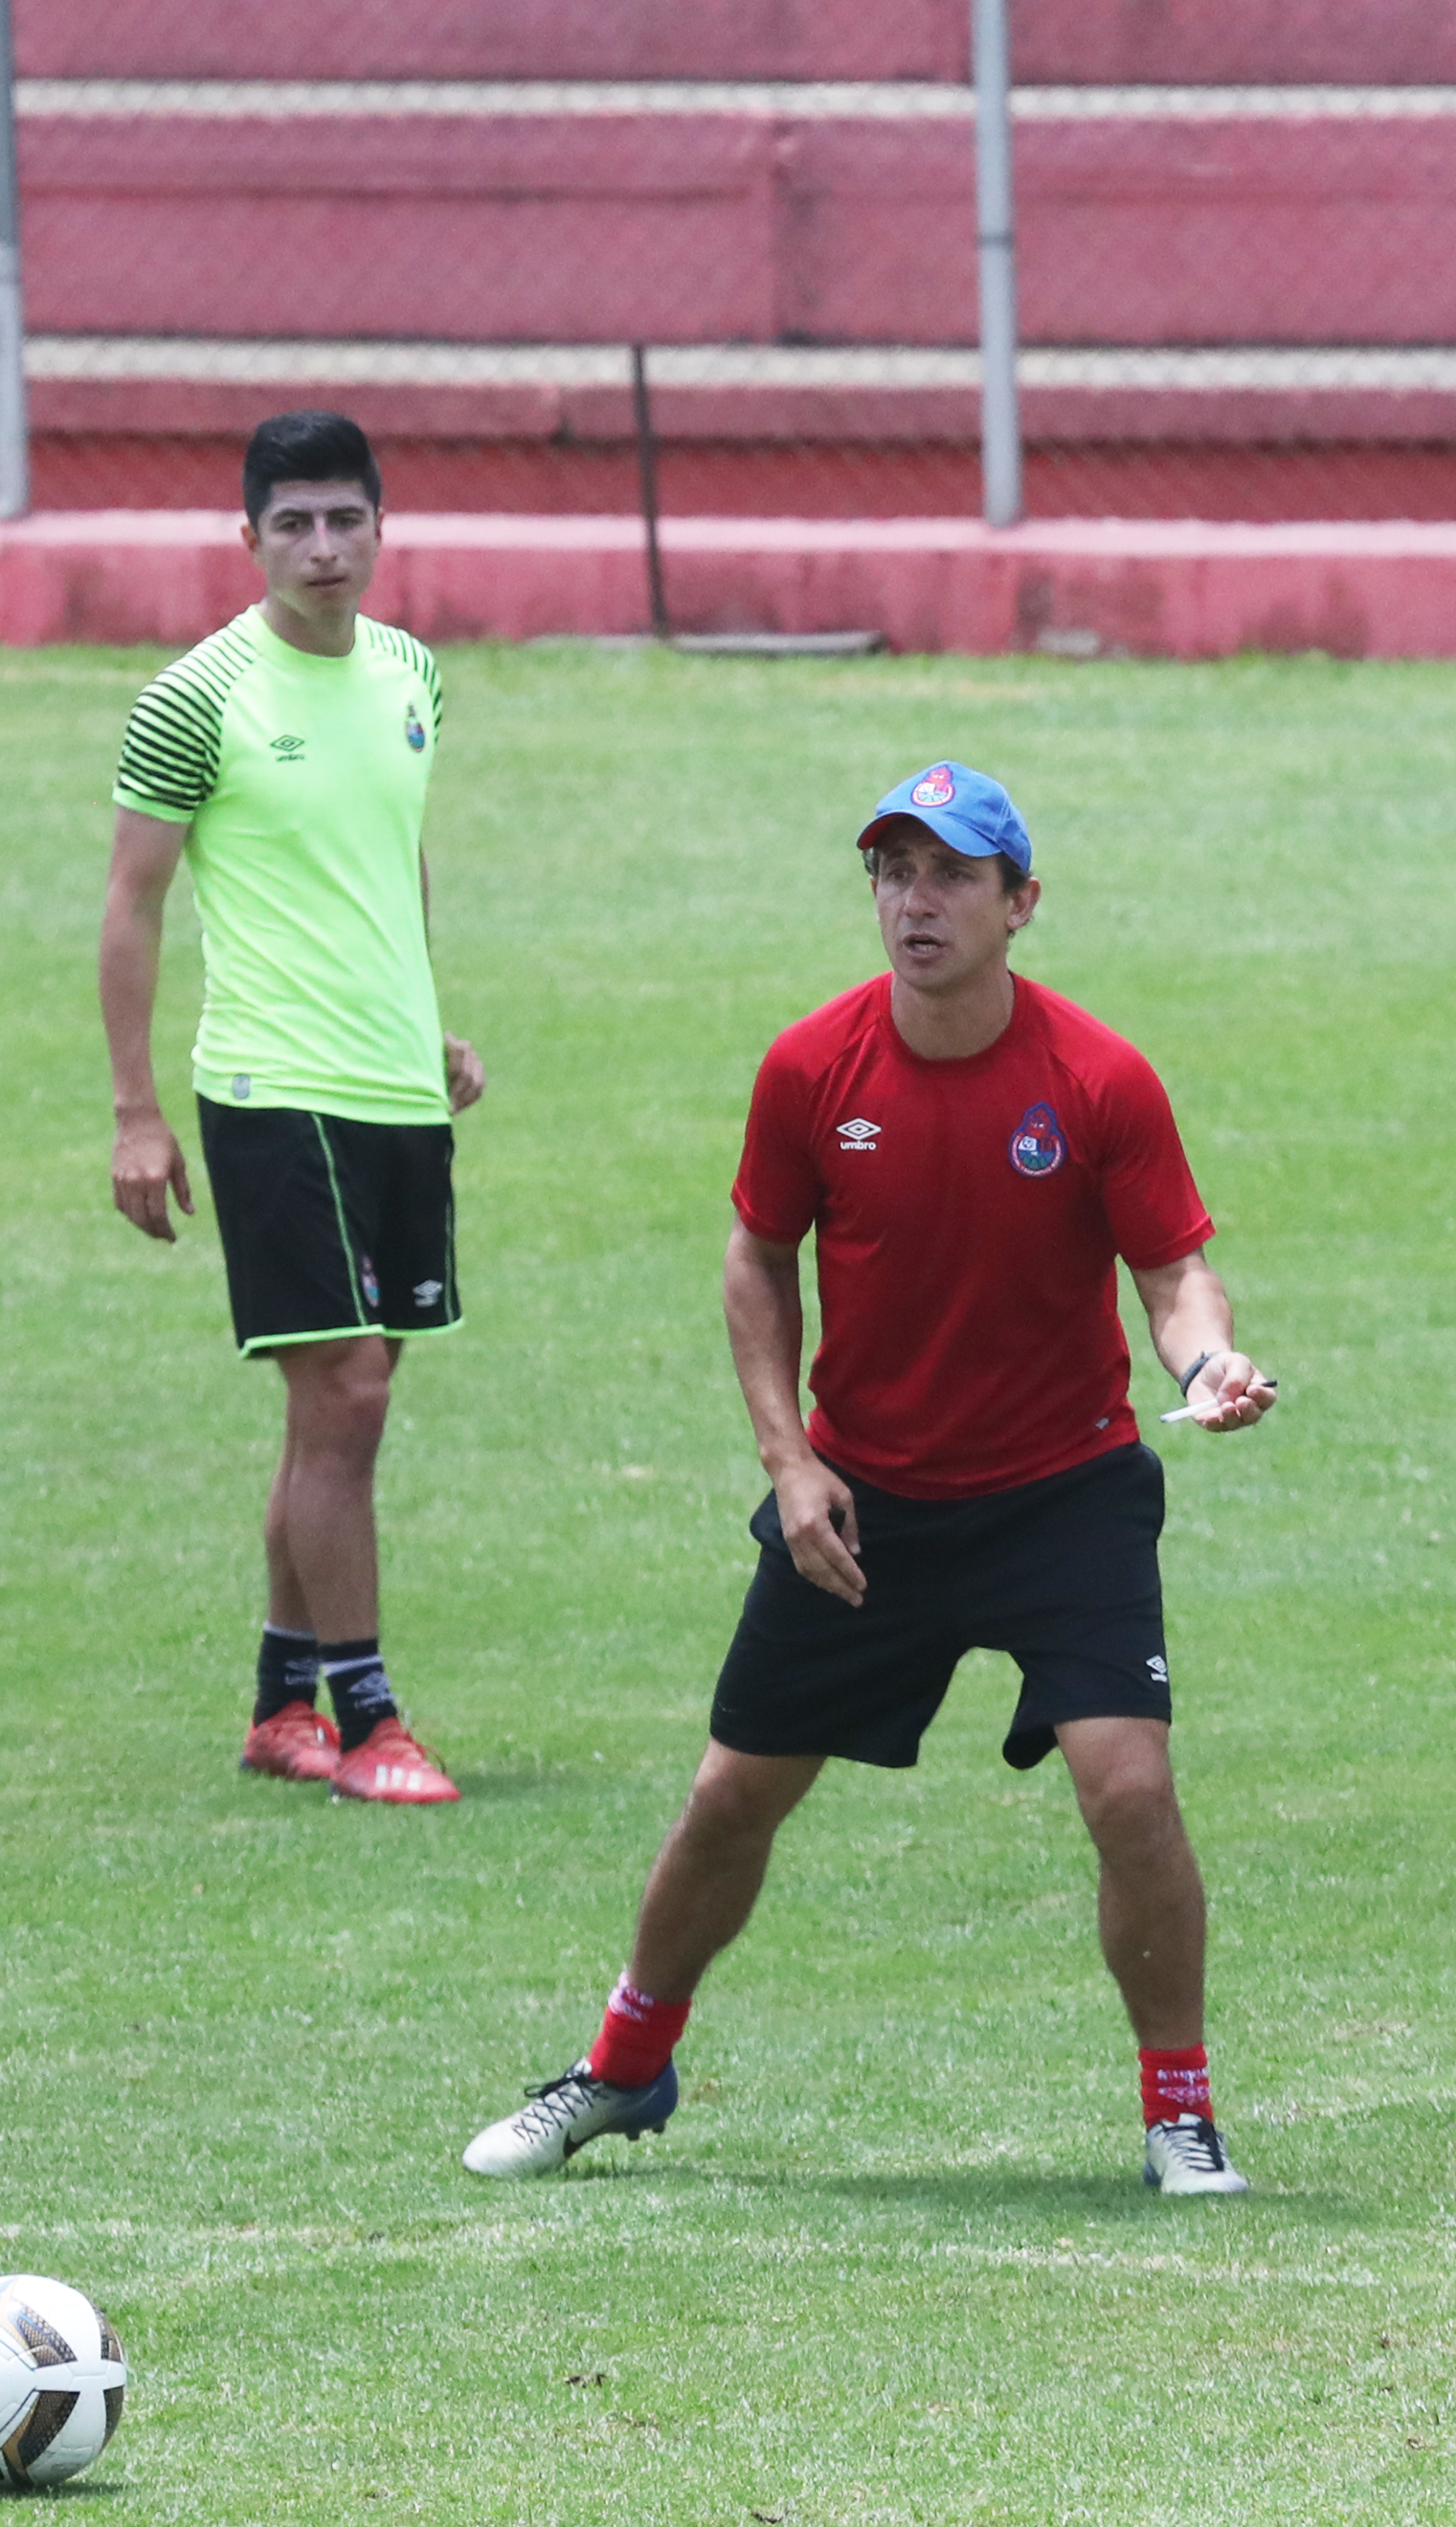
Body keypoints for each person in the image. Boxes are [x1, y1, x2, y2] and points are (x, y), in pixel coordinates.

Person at [459, 761, 1279, 2195]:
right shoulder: (809, 1070)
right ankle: (622, 2071)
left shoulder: (1098, 1079)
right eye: (894, 872)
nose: (916, 901)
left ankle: (1181, 2109)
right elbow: (757, 1259)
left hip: (1062, 1494)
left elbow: (1173, 1272)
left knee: (1129, 1792)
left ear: (1021, 904)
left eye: (952, 874)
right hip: (863, 1504)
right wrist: (790, 1463)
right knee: (730, 1800)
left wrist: (1208, 1368)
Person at [100, 407, 481, 1807]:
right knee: (350, 1388)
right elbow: (132, 907)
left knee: (335, 1419)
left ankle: (280, 1701)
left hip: (389, 1086)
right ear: (248, 537)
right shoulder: (197, 696)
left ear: (382, 524)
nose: (324, 548)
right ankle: (371, 1719)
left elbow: (389, 857)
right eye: (294, 524)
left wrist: (424, 1020)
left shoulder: (412, 675)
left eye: (345, 519)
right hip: (270, 1087)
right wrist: (139, 1115)